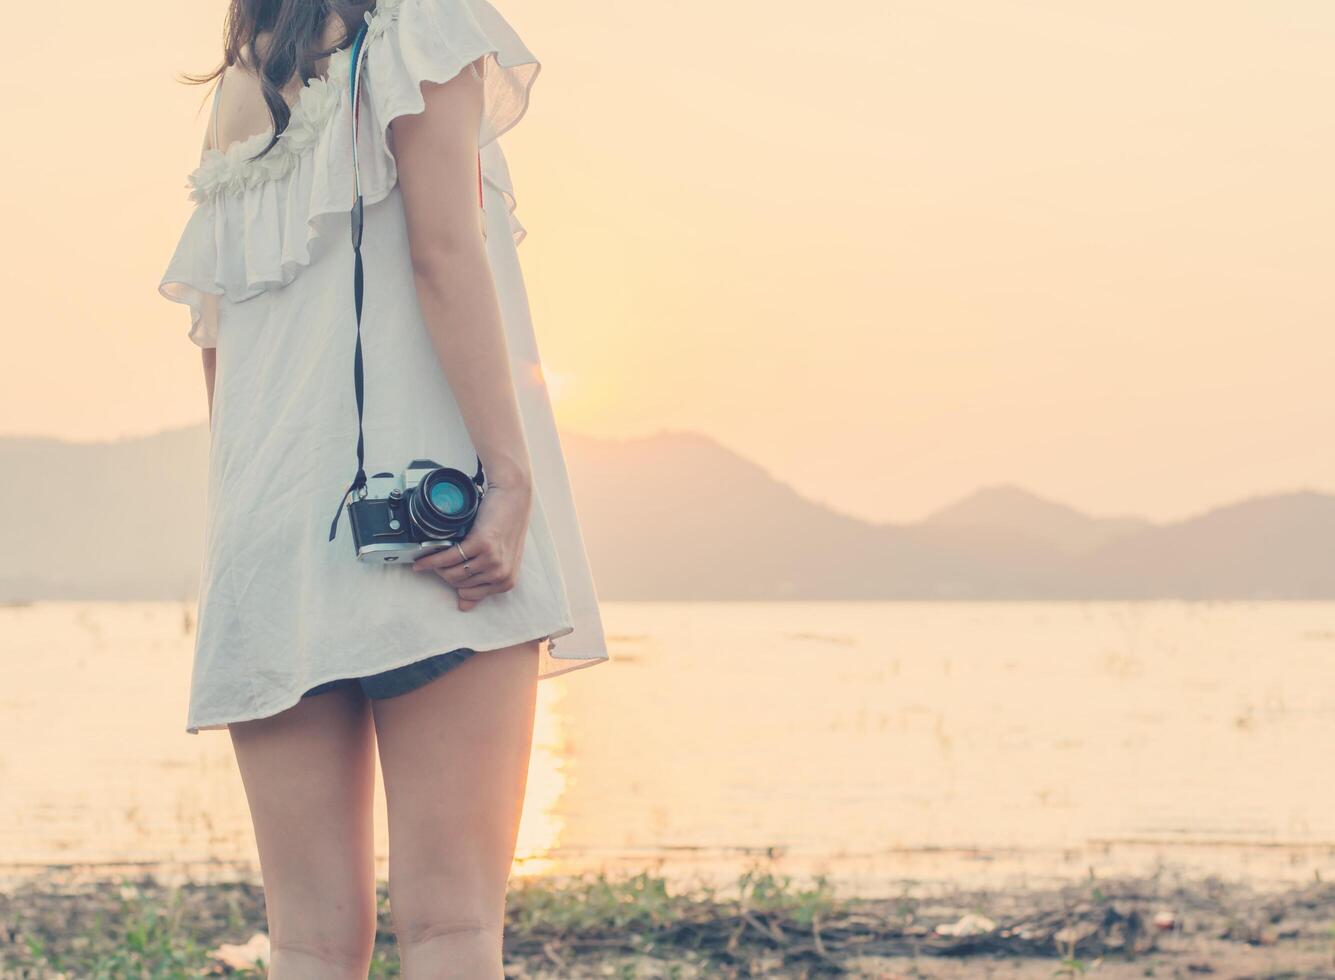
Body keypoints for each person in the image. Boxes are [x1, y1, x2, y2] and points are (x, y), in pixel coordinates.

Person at [158, 0, 609, 974]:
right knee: (452, 926)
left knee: (309, 942)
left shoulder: (237, 91)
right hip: (431, 520)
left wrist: (260, 532)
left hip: (269, 549)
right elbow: (443, 252)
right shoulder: (426, 26)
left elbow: (218, 353)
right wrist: (514, 476)